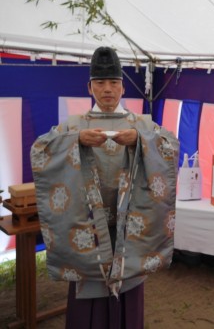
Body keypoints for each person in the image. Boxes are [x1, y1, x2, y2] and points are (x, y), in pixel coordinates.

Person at [31, 46, 180, 329]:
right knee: (88, 304)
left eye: (113, 82)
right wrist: (75, 141)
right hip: (88, 230)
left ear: (123, 88)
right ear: (90, 86)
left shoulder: (142, 125)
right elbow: (40, 150)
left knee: (129, 296)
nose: (107, 89)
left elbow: (170, 146)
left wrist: (140, 141)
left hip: (130, 230)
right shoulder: (74, 126)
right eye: (100, 83)